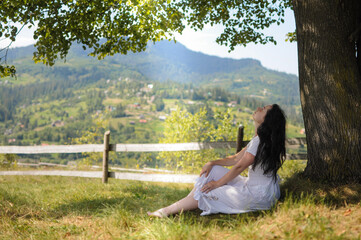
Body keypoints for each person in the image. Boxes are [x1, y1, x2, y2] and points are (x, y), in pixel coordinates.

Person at [147, 104, 286, 217]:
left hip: (258, 195)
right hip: (265, 192)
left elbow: (239, 167)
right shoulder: (260, 140)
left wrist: (217, 184)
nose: (259, 108)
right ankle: (186, 203)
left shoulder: (260, 141)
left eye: (264, 109)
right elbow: (236, 158)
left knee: (206, 191)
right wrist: (212, 163)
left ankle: (165, 211)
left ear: (268, 120)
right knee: (212, 171)